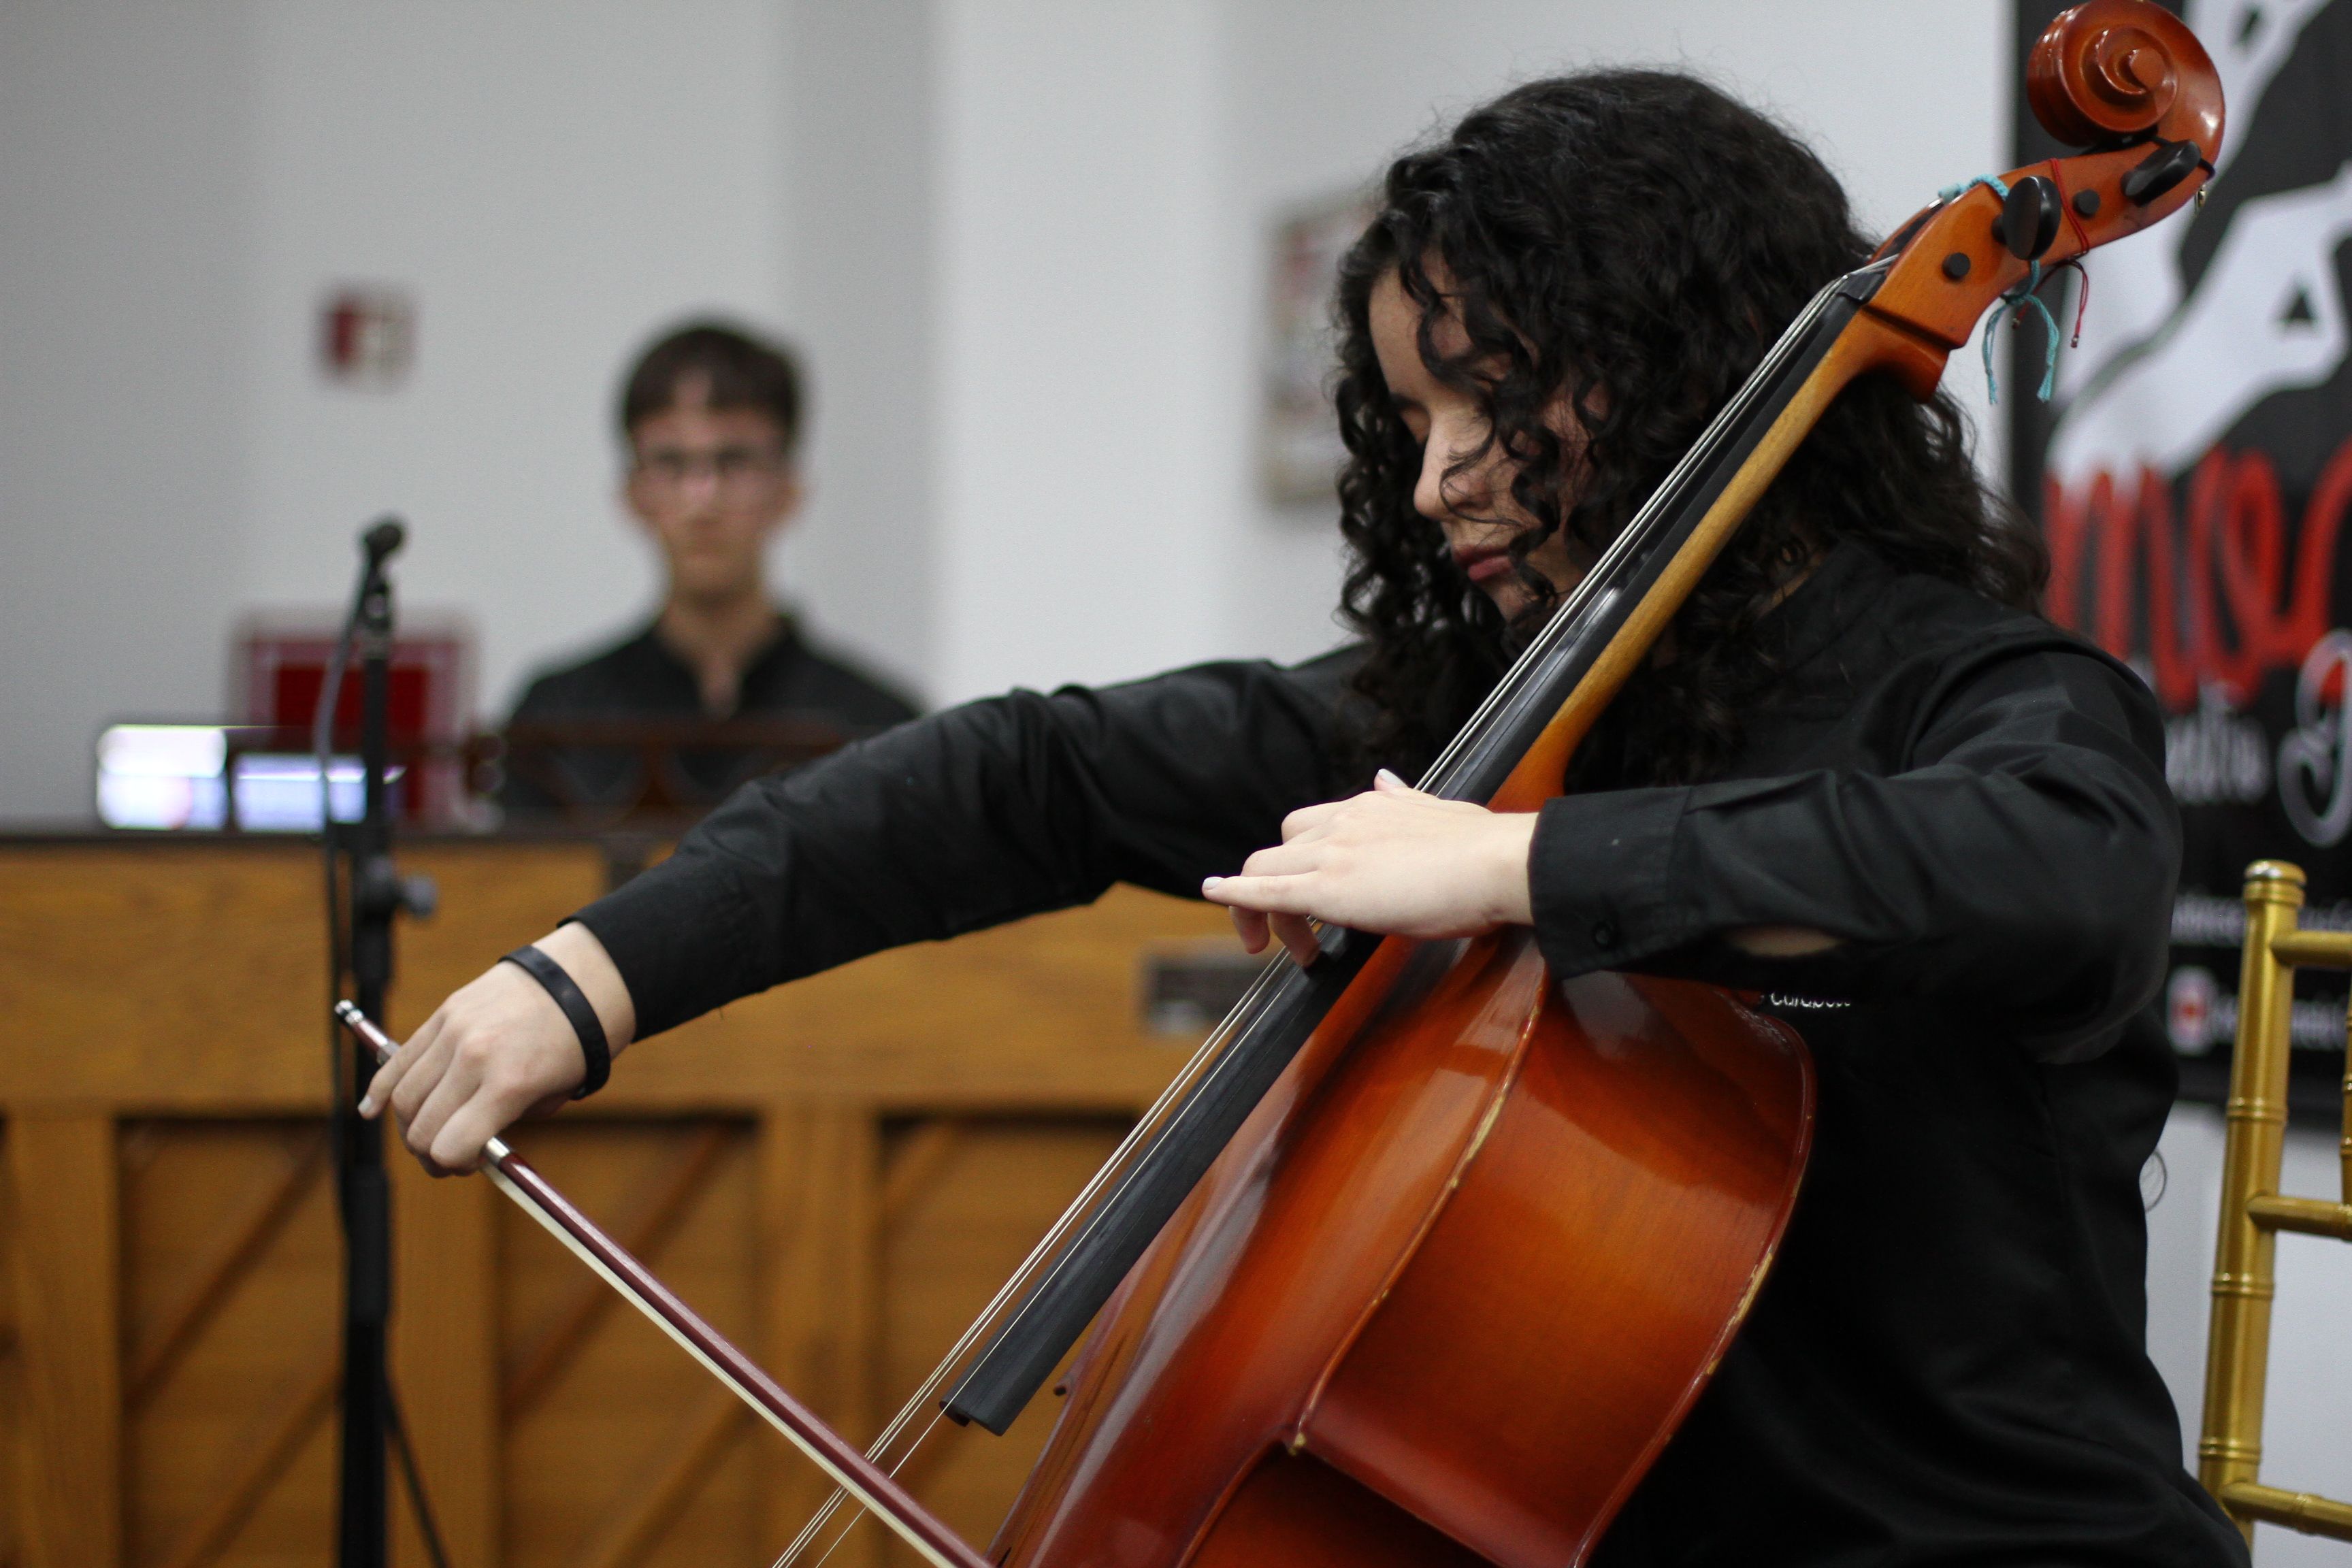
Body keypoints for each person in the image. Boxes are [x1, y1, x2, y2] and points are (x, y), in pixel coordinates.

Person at [365, 72, 2245, 1567]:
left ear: (1670, 366)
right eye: (1409, 419)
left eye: (1486, 403)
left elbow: (2060, 875)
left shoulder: (1980, 693)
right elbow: (1024, 776)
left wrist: (1515, 867)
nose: (1434, 482)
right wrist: (594, 975)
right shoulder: (1485, 718)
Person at [499, 321, 917, 815]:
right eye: (671, 463)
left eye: (734, 461)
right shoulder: (556, 724)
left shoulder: (875, 726)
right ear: (632, 492)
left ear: (789, 489)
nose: (703, 499)